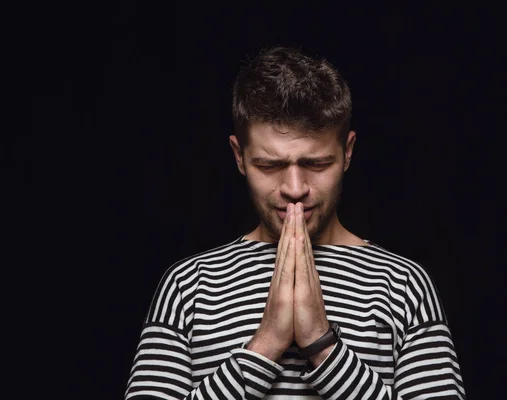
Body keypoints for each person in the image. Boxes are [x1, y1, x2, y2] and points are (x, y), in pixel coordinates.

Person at [125, 46, 466, 399]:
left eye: (317, 164)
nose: (294, 189)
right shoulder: (187, 286)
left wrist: (322, 345)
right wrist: (267, 342)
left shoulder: (404, 286)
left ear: (347, 152)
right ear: (238, 156)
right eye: (269, 166)